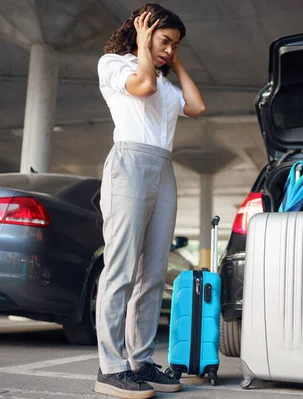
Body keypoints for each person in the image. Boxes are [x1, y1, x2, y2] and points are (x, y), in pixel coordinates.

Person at [94, 4, 206, 399]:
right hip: (129, 163)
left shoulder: (168, 82)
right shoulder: (115, 64)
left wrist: (175, 63)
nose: (168, 50)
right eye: (165, 40)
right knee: (121, 269)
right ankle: (110, 367)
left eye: (174, 45)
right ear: (143, 32)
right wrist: (144, 47)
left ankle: (140, 361)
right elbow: (143, 87)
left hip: (163, 168)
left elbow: (196, 106)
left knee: (153, 273)